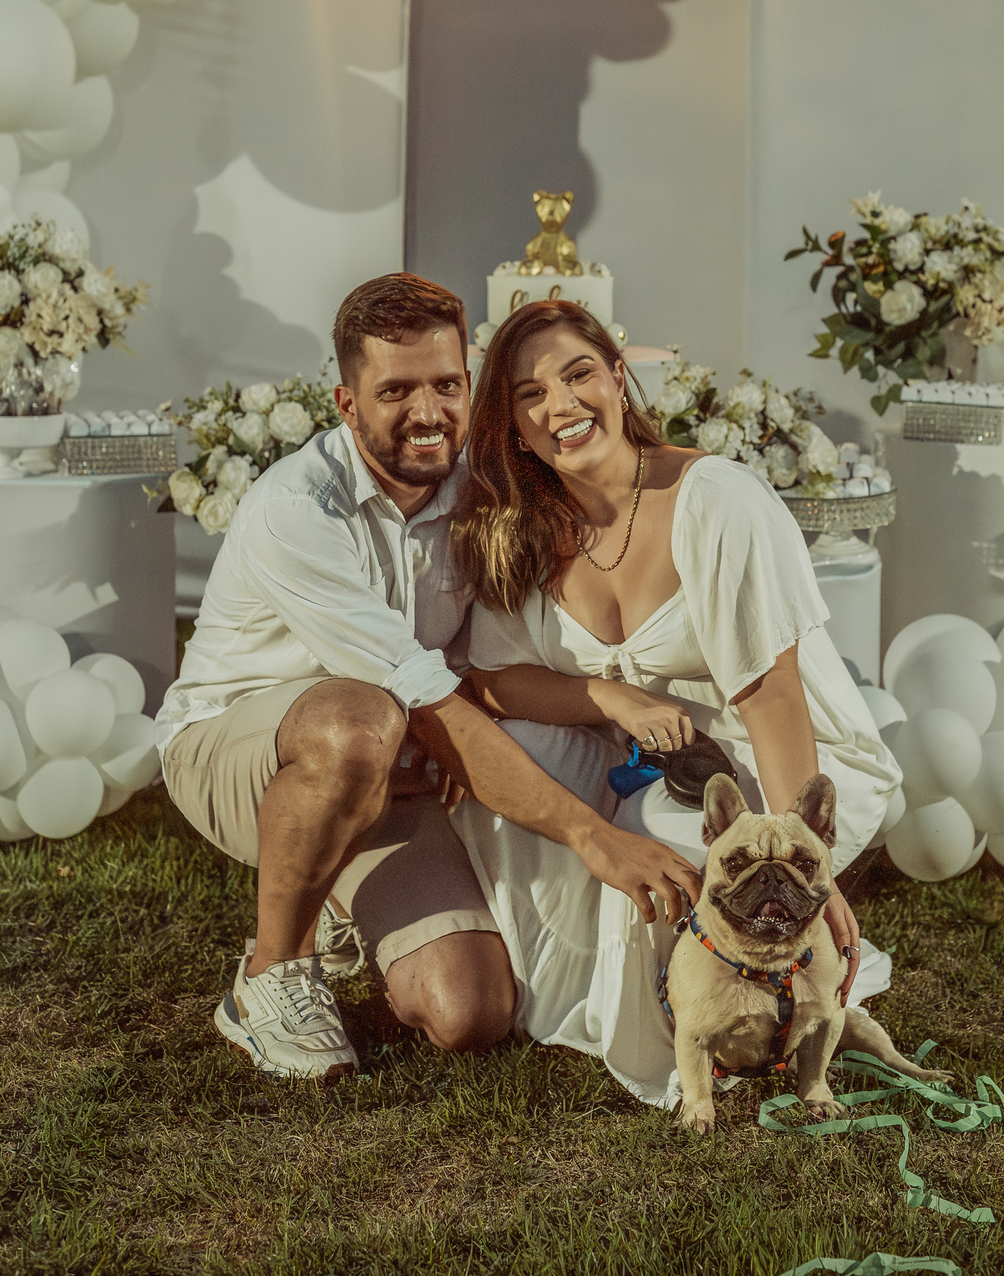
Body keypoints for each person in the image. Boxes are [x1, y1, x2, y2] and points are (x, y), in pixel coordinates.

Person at [155, 275, 700, 1082]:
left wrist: (706, 482)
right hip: (239, 753)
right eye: (395, 391)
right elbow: (421, 698)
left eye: (446, 386)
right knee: (359, 722)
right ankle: (271, 974)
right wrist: (594, 837)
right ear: (346, 405)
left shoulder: (481, 484)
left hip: (397, 762)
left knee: (471, 1012)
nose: (428, 412)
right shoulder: (297, 509)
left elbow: (606, 496)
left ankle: (332, 890)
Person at [450, 299, 903, 1107]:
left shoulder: (715, 499)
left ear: (619, 377)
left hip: (778, 756)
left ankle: (701, 1033)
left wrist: (805, 861)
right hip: (652, 755)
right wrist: (610, 696)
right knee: (512, 753)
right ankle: (564, 987)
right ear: (512, 425)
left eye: (580, 374)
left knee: (658, 836)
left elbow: (770, 694)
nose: (562, 405)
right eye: (530, 394)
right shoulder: (522, 522)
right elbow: (495, 678)